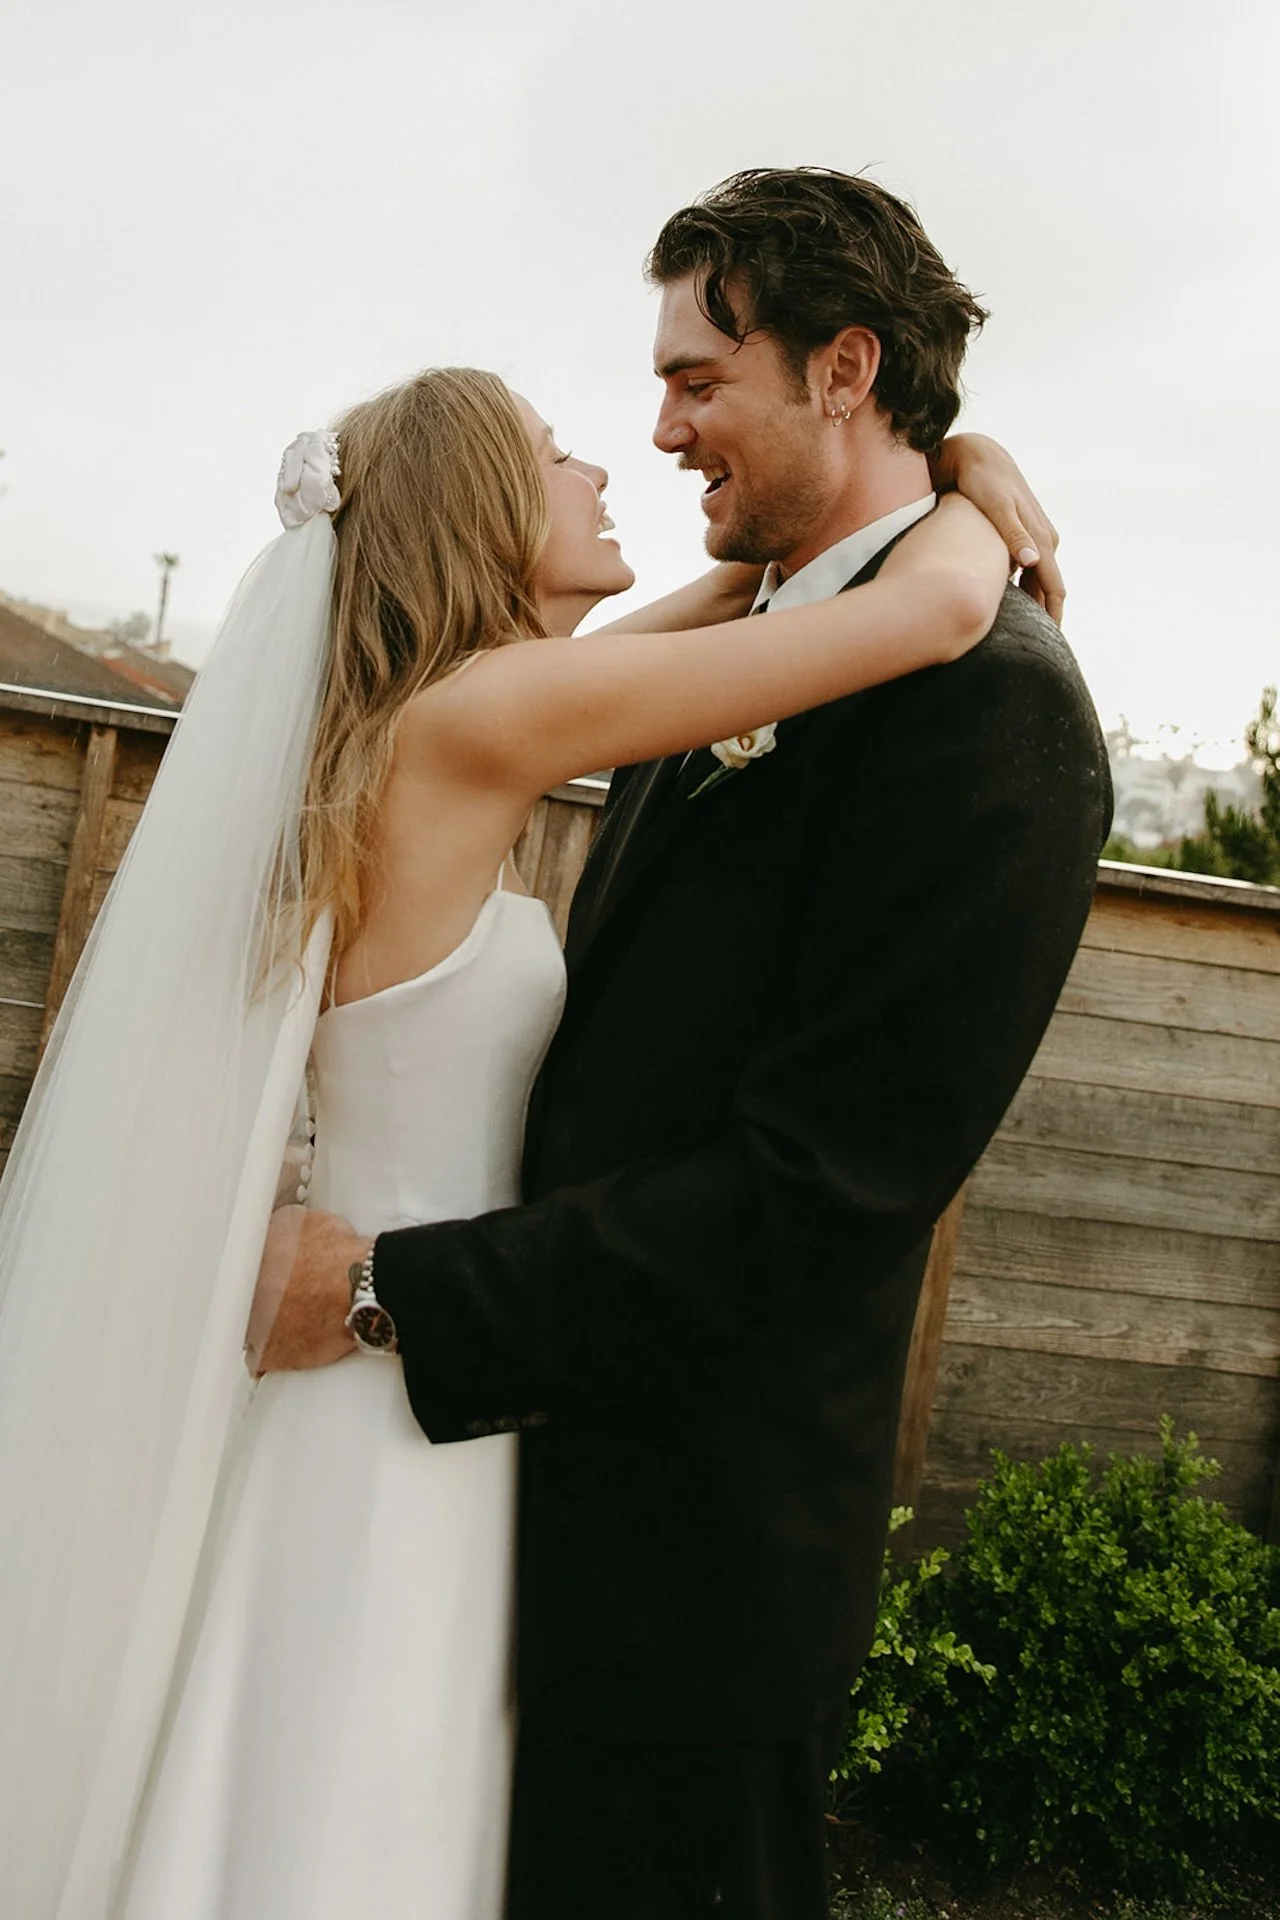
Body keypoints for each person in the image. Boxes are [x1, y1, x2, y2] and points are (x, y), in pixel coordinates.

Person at [0, 343, 1043, 1912]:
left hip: (407, 1367)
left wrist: (885, 512)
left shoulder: (435, 718)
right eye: (558, 453)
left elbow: (726, 613)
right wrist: (980, 490)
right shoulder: (487, 721)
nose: (607, 466)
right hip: (403, 1385)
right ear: (485, 510)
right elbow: (931, 615)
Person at [256, 170, 1113, 1918]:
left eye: (697, 382)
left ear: (844, 370)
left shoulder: (991, 713)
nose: (659, 432)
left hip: (691, 1580)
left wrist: (389, 1293)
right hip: (495, 1503)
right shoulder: (714, 660)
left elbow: (824, 1191)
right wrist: (965, 478)